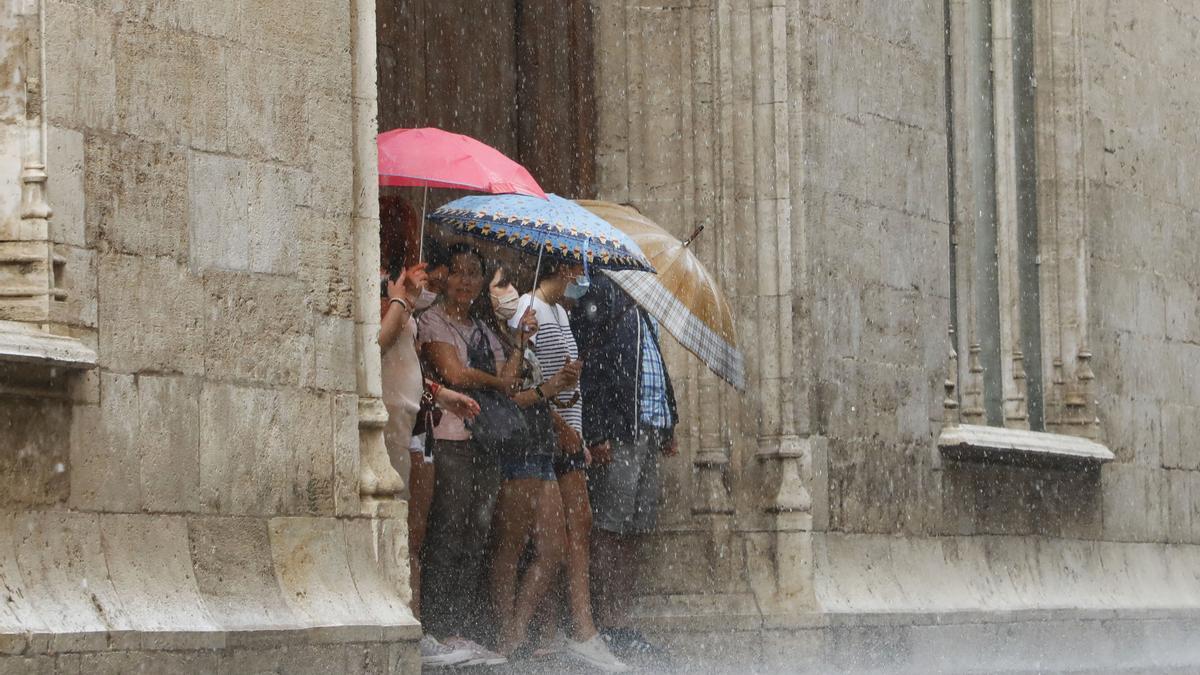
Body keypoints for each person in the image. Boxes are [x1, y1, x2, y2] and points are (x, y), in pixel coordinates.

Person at [377, 229, 496, 667]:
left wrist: (441, 396)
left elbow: (405, 362)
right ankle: (413, 626)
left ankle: (424, 627)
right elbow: (377, 345)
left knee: (420, 535)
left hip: (416, 422)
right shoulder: (389, 298)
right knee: (416, 534)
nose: (433, 273)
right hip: (394, 429)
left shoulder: (405, 304)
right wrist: (402, 301)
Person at [417, 243, 523, 648]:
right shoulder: (432, 321)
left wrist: (522, 339)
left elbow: (509, 379)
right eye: (458, 272)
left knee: (476, 533)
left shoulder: (484, 328)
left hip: (485, 441)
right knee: (447, 530)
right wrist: (496, 381)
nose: (465, 281)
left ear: (482, 282)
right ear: (445, 278)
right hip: (449, 438)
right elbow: (454, 374)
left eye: (473, 274)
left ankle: (459, 627)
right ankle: (438, 625)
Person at [570, 272, 679, 658]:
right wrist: (596, 429)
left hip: (650, 427)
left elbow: (657, 367)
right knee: (610, 526)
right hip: (621, 430)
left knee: (636, 529)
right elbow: (592, 362)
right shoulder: (602, 292)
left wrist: (671, 419)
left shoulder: (644, 303)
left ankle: (621, 619)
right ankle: (603, 621)